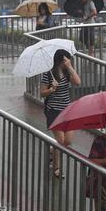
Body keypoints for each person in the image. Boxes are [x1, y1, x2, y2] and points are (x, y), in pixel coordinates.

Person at [39, 49, 81, 177]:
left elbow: (78, 82)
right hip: (53, 110)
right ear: (61, 60)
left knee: (67, 141)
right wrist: (52, 89)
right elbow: (42, 93)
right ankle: (56, 168)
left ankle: (52, 151)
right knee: (61, 141)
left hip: (67, 110)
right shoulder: (48, 74)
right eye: (67, 60)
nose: (68, 62)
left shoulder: (68, 72)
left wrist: (70, 68)